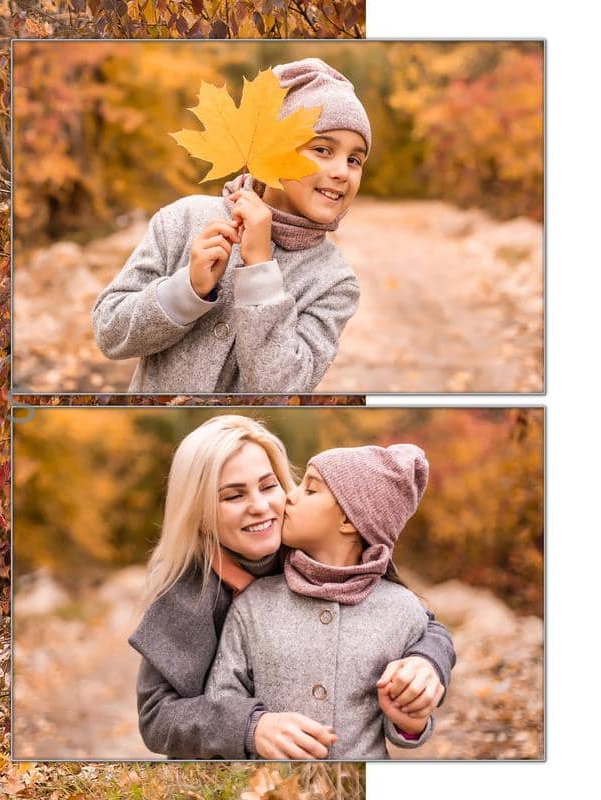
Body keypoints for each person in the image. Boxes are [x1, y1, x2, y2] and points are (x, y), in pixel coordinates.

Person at [127, 415, 454, 758]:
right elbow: (156, 719)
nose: (261, 507)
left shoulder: (320, 544)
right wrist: (251, 728)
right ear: (201, 512)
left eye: (269, 486)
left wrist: (426, 664)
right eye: (233, 496)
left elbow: (421, 624)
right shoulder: (188, 593)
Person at [91, 58, 366, 392]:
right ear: (273, 149)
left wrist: (261, 272)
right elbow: (109, 332)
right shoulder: (182, 219)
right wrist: (187, 289)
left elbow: (281, 392)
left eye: (355, 159)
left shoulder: (335, 282)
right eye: (323, 149)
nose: (341, 171)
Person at [208, 444, 438, 758]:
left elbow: (406, 726)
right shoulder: (254, 603)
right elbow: (221, 701)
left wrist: (410, 719)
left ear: (349, 520)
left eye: (311, 489)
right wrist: (254, 728)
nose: (290, 495)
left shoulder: (403, 610)